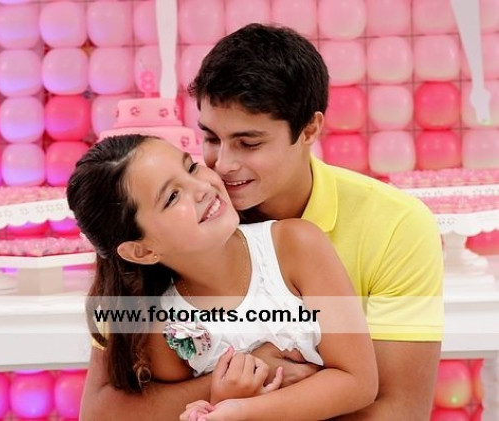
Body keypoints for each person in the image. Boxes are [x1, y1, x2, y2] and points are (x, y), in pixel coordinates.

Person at [79, 23, 444, 420]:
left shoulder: (395, 225)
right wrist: (240, 377)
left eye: (249, 143)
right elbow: (103, 412)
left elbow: (398, 410)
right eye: (211, 138)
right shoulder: (165, 234)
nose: (221, 166)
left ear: (309, 129)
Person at [68, 134, 378, 420]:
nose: (201, 187)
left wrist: (242, 410)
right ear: (142, 251)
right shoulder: (163, 327)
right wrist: (221, 401)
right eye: (173, 197)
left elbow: (358, 382)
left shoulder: (296, 245)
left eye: (191, 167)